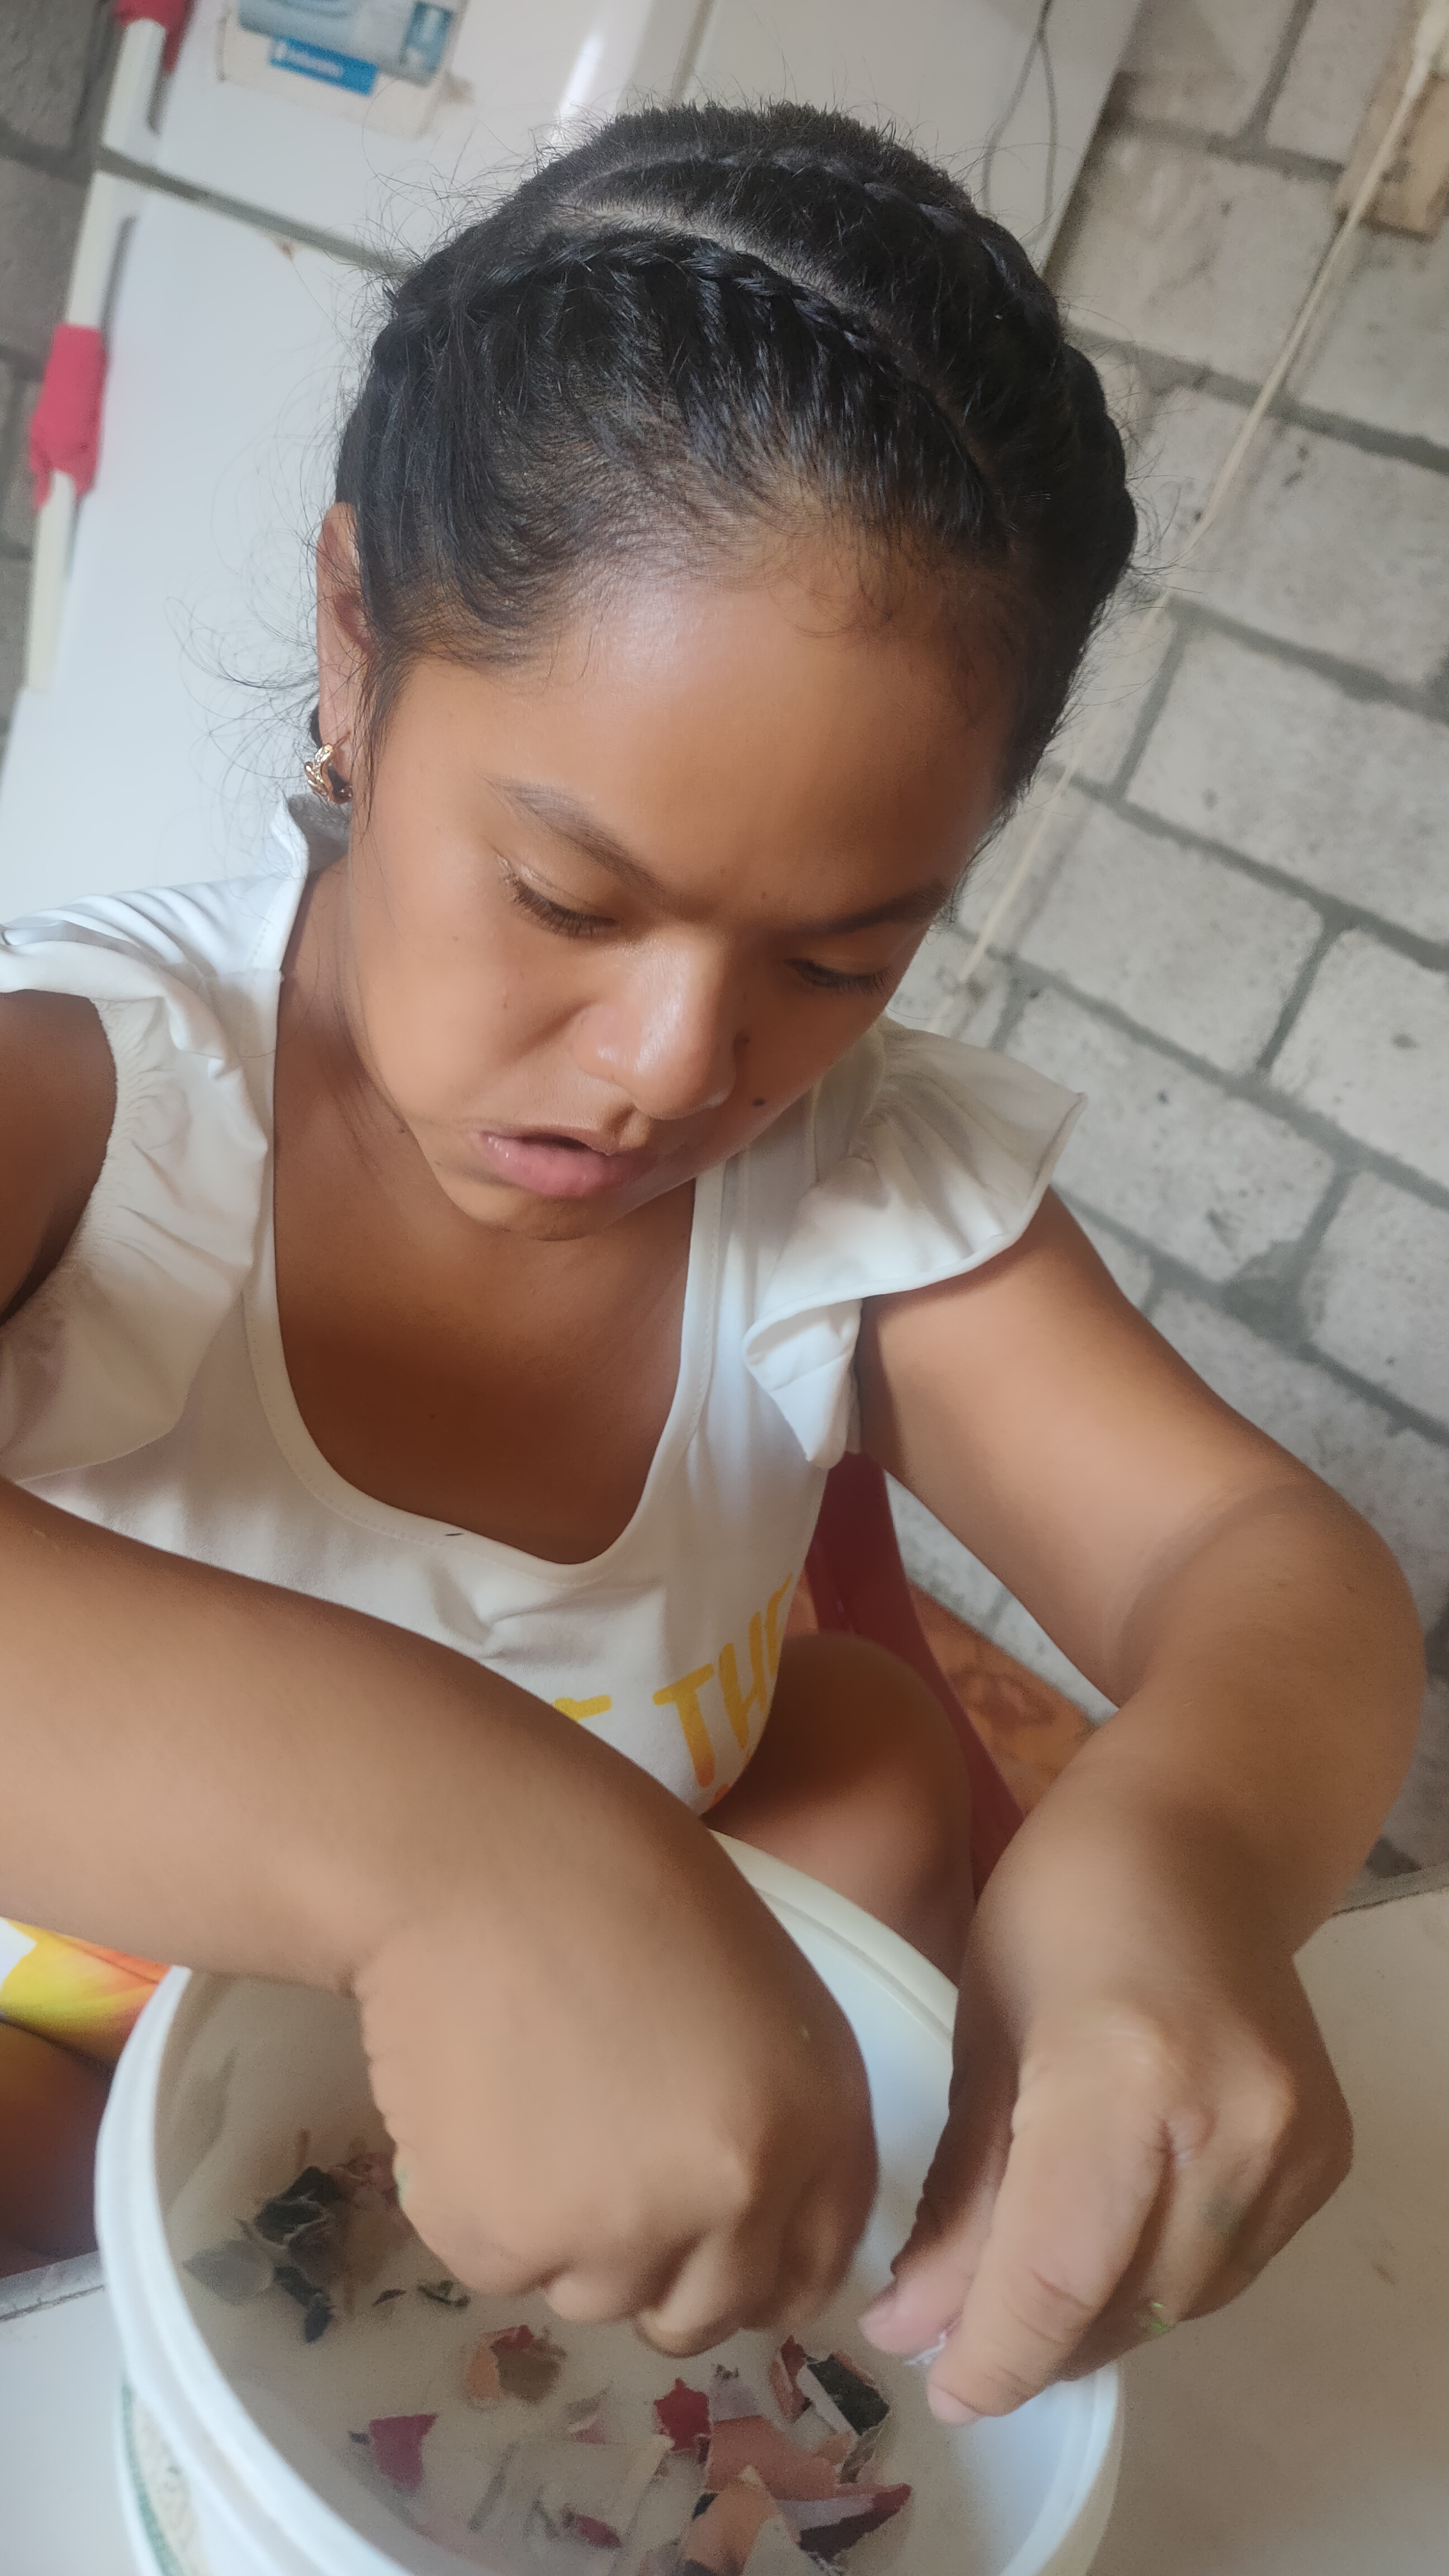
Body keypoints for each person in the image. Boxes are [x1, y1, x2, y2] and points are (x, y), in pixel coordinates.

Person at [0, 102, 1421, 2425]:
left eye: (841, 961)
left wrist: (1187, 1849)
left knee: (872, 1774)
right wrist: (455, 1850)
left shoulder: (856, 1184)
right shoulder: (94, 1091)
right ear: (356, 649)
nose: (675, 1070)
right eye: (569, 901)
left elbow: (1264, 1565)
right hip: (75, 2026)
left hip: (627, 2105)